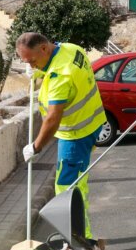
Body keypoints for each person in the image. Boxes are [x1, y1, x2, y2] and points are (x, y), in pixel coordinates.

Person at [17, 32, 106, 238]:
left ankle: (80, 240)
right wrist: (40, 72)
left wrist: (36, 147)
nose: (30, 66)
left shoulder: (60, 76)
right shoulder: (71, 49)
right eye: (26, 62)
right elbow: (59, 66)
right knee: (78, 183)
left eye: (32, 61)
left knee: (68, 190)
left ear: (44, 49)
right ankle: (78, 235)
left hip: (76, 134)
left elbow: (52, 119)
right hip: (92, 122)